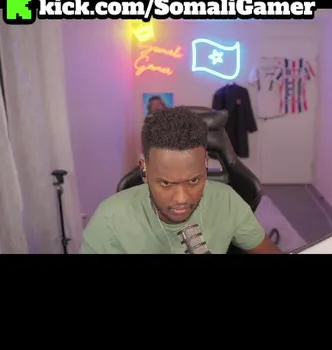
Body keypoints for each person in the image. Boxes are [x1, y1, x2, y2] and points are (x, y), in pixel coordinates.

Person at [81, 107, 282, 254]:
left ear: (205, 164)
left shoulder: (227, 201)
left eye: (193, 180)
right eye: (166, 183)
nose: (181, 198)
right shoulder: (110, 218)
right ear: (144, 170)